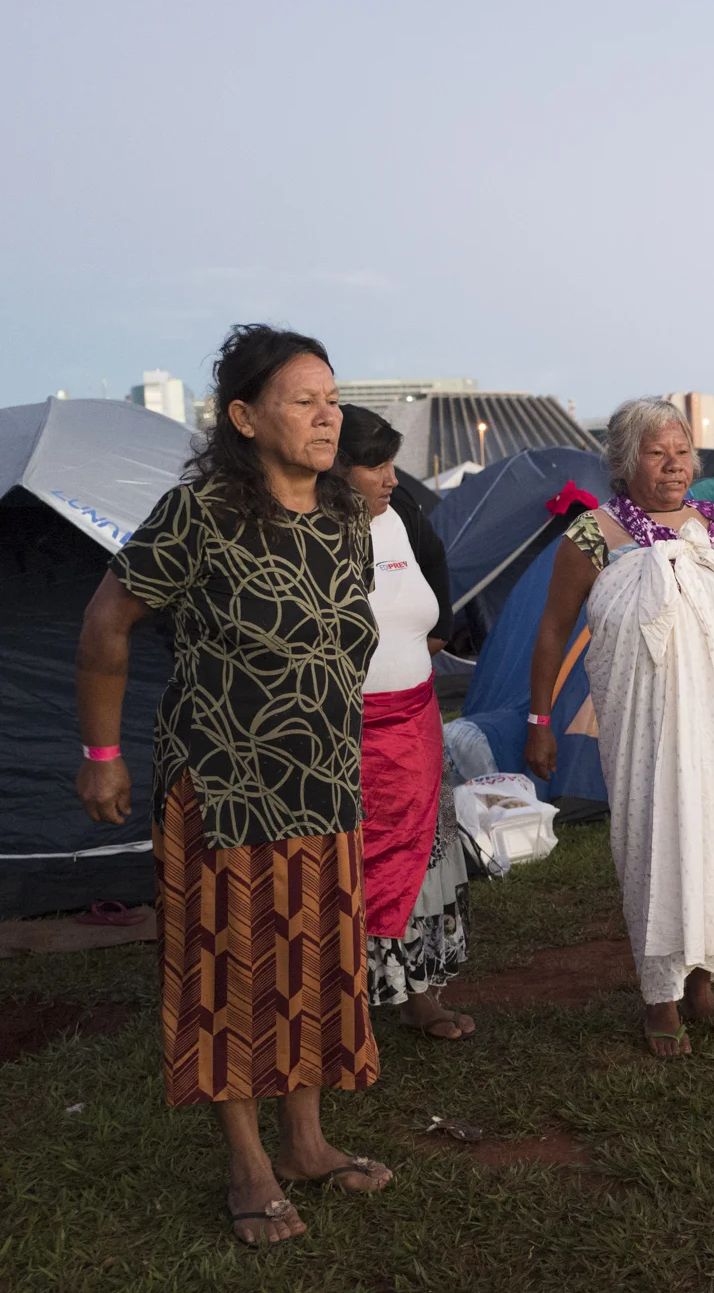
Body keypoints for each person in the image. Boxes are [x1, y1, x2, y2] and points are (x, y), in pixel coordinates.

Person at [74, 324, 387, 1246]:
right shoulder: (201, 513)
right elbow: (105, 622)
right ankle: (249, 1165)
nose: (328, 415)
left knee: (316, 968)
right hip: (226, 788)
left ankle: (307, 1143)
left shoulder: (345, 518)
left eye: (333, 398)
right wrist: (102, 755)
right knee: (232, 977)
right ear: (246, 418)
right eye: (304, 400)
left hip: (326, 785)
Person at [527, 397, 714, 1056]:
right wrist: (539, 719)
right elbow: (551, 629)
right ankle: (660, 996)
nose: (674, 464)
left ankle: (705, 986)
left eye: (682, 451)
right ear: (626, 463)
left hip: (712, 719)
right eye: (657, 453)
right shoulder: (593, 534)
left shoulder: (712, 524)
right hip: (644, 728)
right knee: (652, 839)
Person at [335, 405, 474, 1041]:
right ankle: (346, 1009)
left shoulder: (403, 518)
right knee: (354, 867)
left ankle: (423, 995)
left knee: (425, 858)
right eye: (375, 465)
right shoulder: (305, 534)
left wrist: (415, 655)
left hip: (415, 725)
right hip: (347, 737)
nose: (391, 478)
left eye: (393, 463)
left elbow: (438, 609)